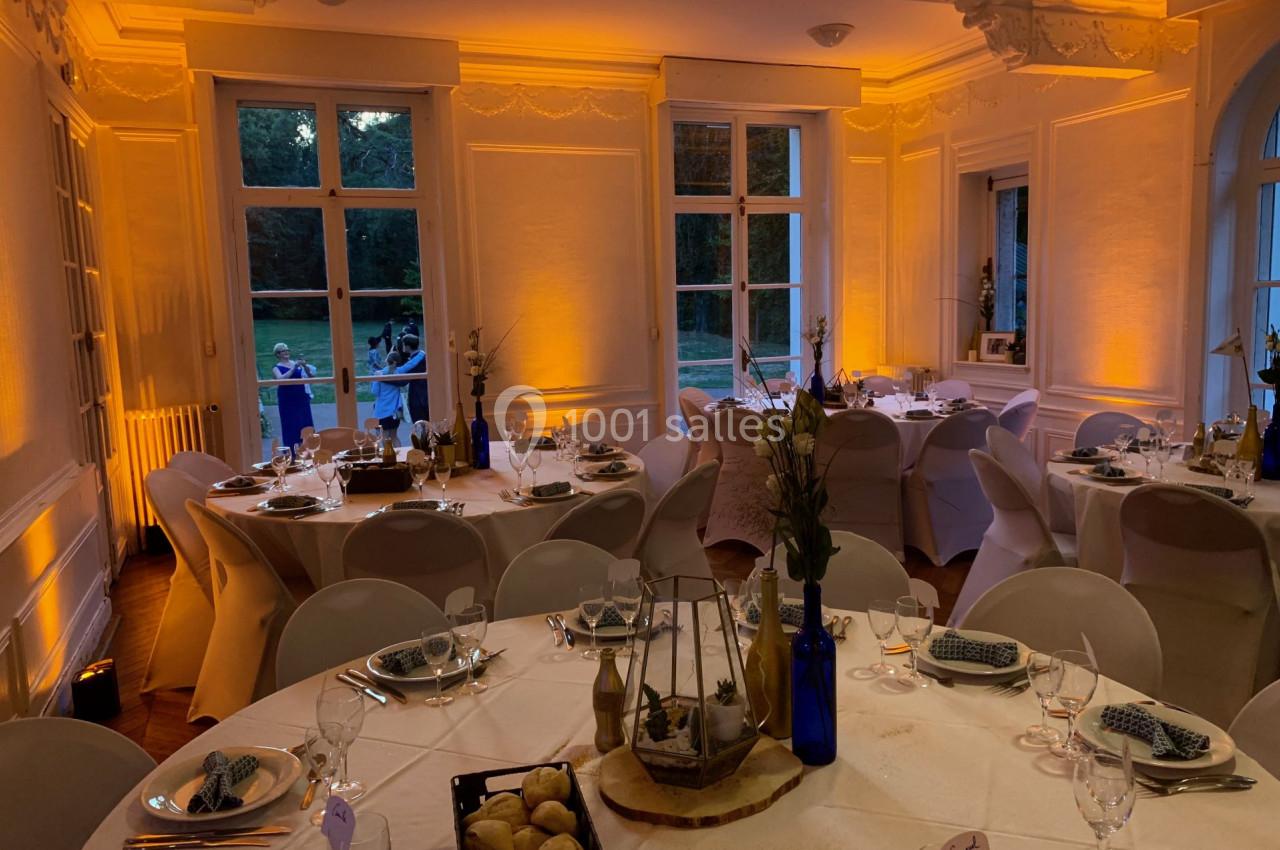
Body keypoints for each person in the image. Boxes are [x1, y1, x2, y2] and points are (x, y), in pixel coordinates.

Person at [271, 342, 316, 451]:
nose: (286, 352)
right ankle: (292, 452)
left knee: (305, 422)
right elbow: (281, 380)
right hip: (287, 399)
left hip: (301, 397)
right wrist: (294, 368)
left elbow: (311, 376)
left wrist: (304, 366)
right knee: (291, 424)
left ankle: (309, 449)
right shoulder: (276, 368)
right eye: (283, 351)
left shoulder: (296, 363)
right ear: (278, 354)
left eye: (287, 350)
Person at [388, 333, 430, 423]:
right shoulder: (421, 357)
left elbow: (403, 381)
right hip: (424, 396)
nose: (402, 346)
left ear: (407, 346)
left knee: (421, 427)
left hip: (419, 399)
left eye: (403, 344)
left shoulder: (416, 361)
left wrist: (383, 378)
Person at [373, 351, 404, 443]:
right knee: (394, 437)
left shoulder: (379, 374)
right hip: (395, 411)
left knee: (384, 438)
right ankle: (400, 456)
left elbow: (375, 392)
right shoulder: (398, 374)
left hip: (382, 411)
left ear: (387, 361)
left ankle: (388, 455)